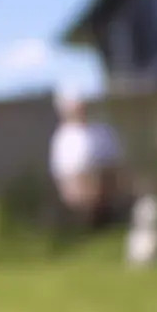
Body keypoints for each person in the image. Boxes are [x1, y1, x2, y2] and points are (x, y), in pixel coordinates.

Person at [49, 91, 125, 228]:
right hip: (79, 193)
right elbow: (63, 175)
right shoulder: (63, 138)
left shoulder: (103, 130)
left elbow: (116, 164)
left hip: (105, 188)